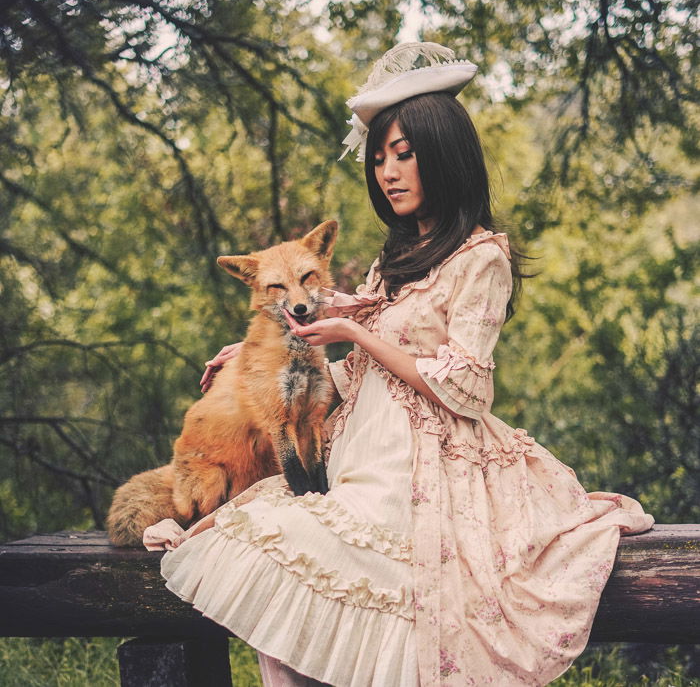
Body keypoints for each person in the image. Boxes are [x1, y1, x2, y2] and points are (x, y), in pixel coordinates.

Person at [152, 42, 654, 686]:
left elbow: (466, 391)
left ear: (443, 156)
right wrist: (267, 364)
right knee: (269, 584)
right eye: (380, 156)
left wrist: (355, 335)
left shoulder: (481, 259)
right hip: (365, 456)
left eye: (405, 154)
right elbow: (355, 379)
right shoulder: (395, 261)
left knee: (297, 561)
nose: (389, 172)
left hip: (427, 471)